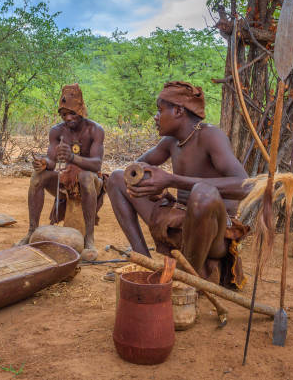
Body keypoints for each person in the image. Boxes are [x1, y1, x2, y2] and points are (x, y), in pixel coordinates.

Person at [106, 81, 250, 289]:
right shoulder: (171, 141)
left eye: (160, 110)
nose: (156, 117)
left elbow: (246, 186)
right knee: (117, 178)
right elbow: (135, 168)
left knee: (203, 195)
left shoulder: (210, 136)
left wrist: (171, 180)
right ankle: (143, 262)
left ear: (178, 111)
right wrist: (148, 184)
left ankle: (186, 281)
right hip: (176, 224)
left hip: (213, 234)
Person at [17, 84, 106, 261]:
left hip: (90, 182)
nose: (68, 118)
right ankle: (32, 231)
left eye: (72, 113)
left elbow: (96, 165)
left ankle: (89, 239)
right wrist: (43, 163)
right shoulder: (57, 131)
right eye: (64, 114)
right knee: (37, 178)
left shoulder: (95, 130)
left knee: (86, 176)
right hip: (65, 181)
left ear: (81, 111)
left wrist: (72, 158)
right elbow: (52, 162)